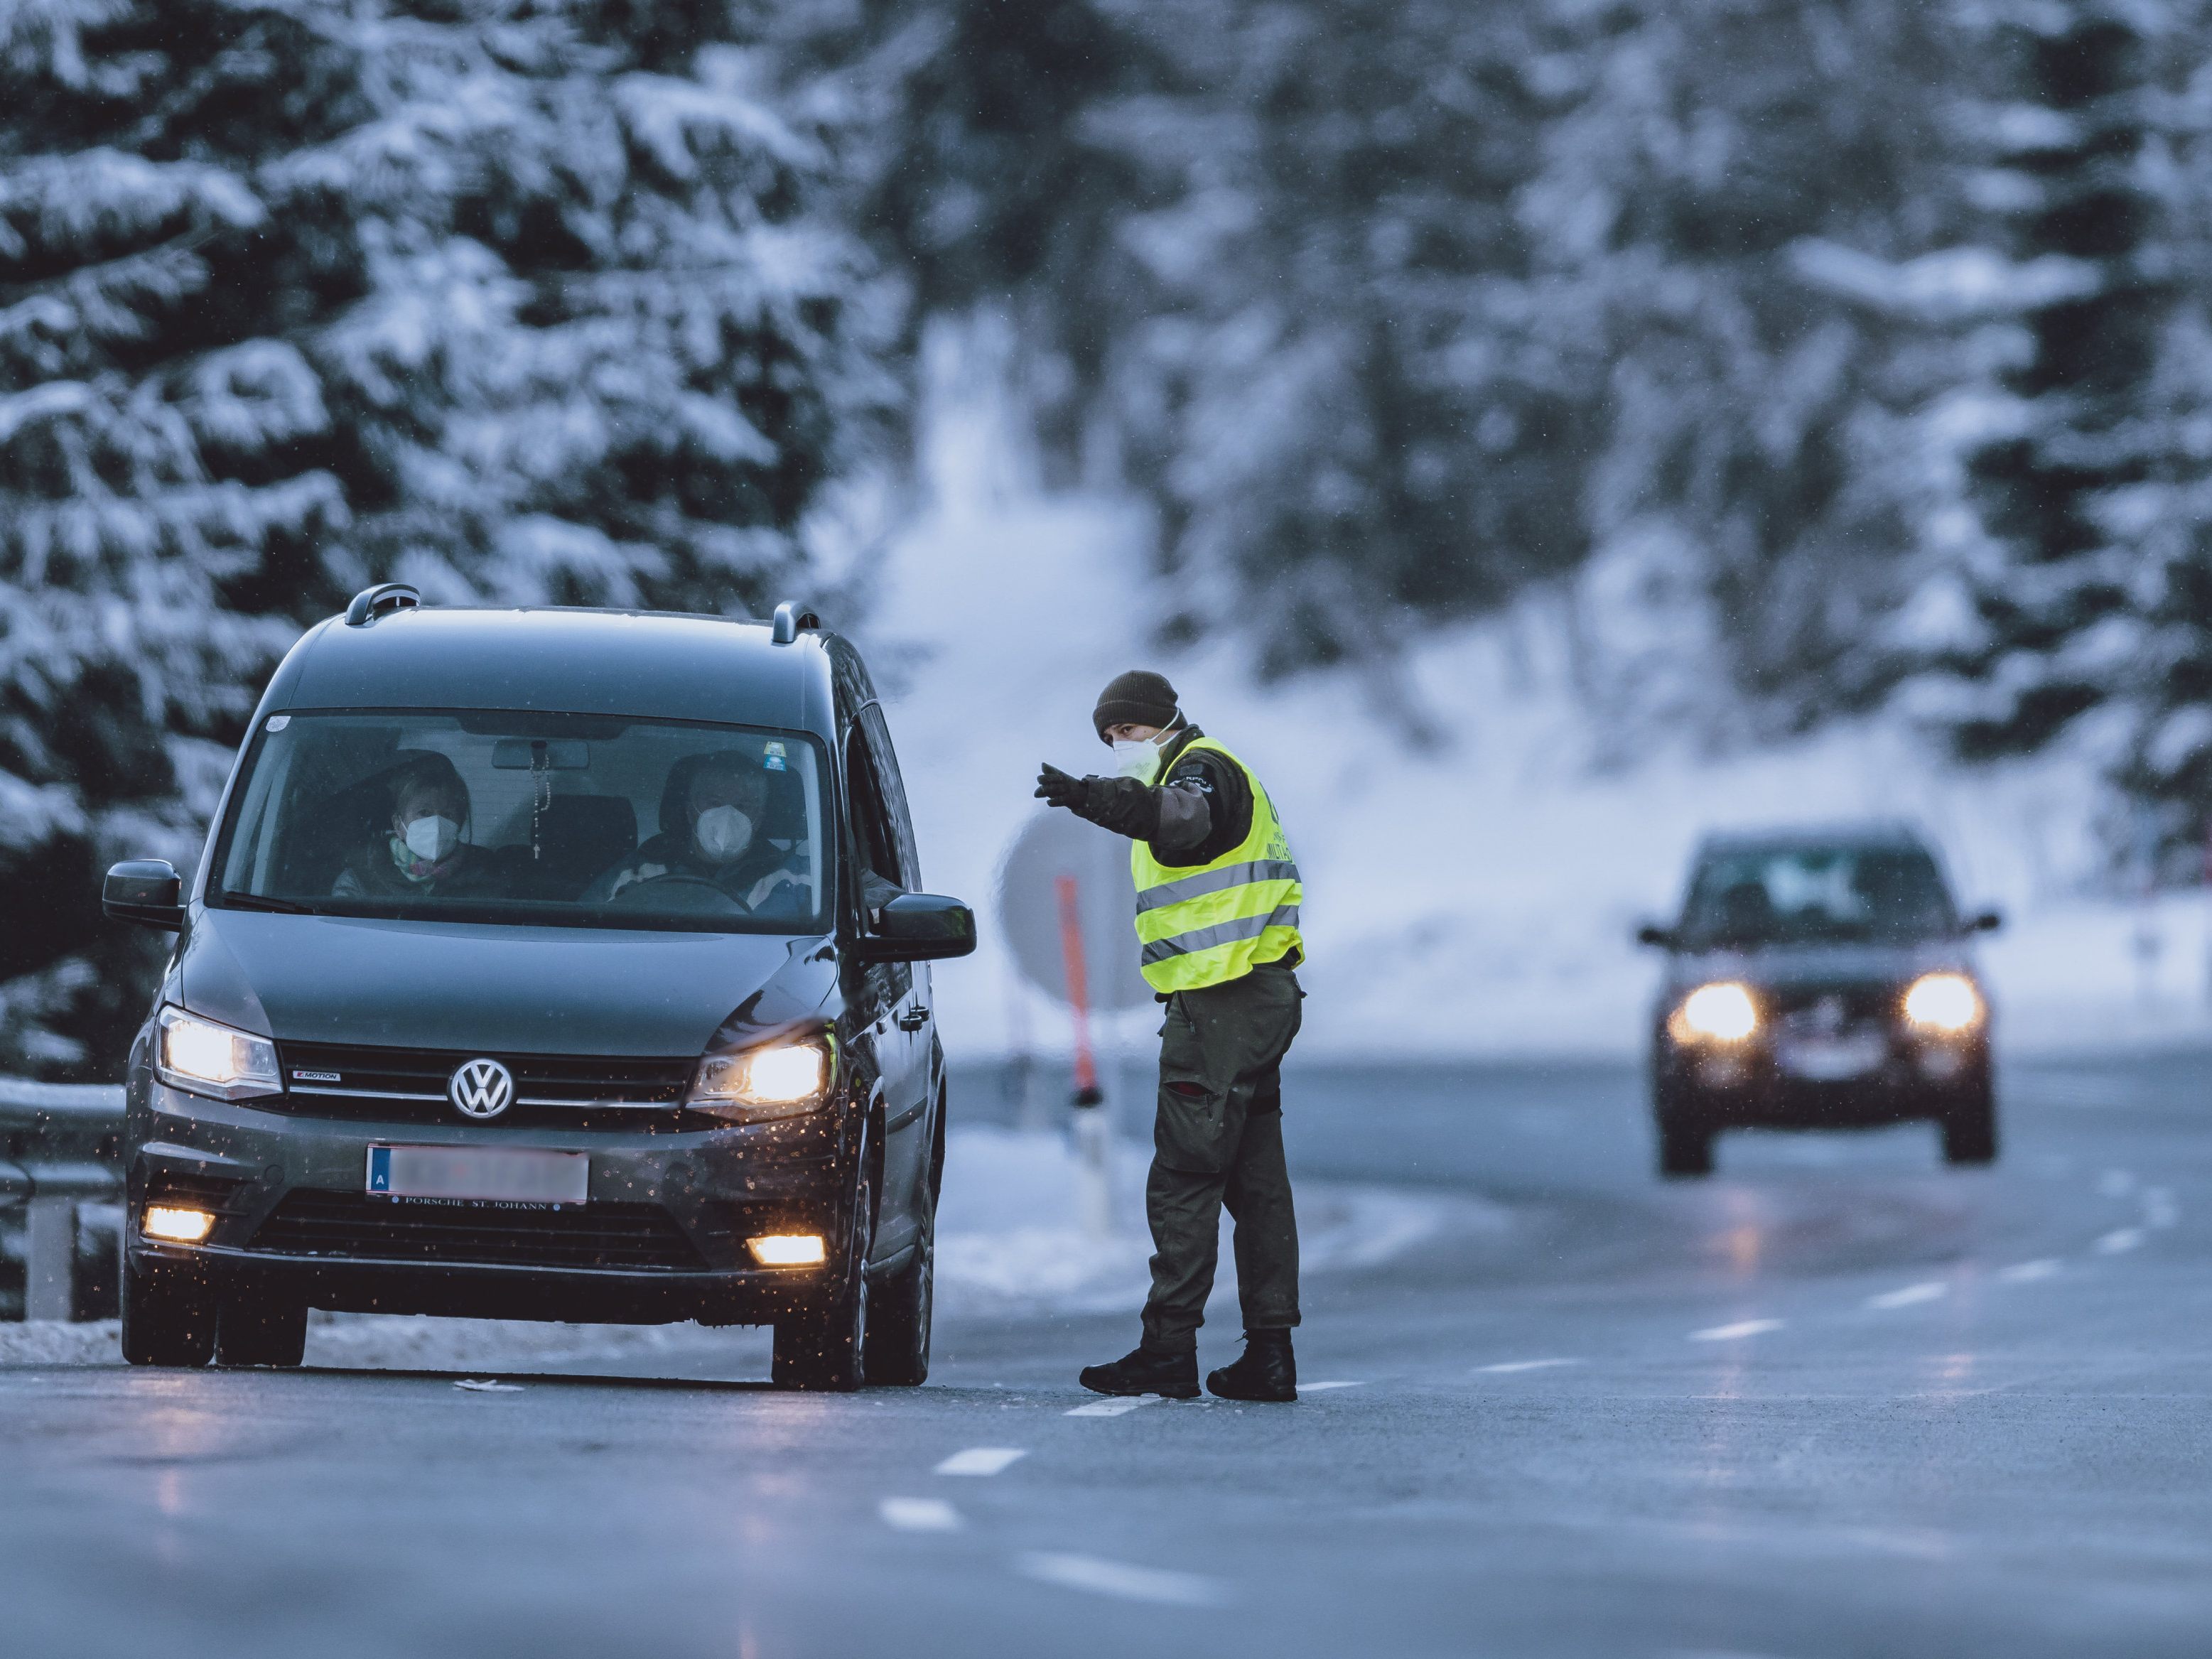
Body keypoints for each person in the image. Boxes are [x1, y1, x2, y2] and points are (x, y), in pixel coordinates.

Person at [1036, 669, 1306, 1403]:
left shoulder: (1200, 769)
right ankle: (1268, 1352)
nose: (1119, 745)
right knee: (1255, 1183)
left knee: (1185, 1176)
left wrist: (1096, 795)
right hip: (1253, 994)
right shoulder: (1206, 766)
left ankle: (1168, 1348)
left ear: (1157, 721)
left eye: (1124, 731)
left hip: (1222, 1003)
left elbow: (1180, 820)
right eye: (1107, 738)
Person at [586, 752, 807, 914]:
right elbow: (588, 932)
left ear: (759, 817)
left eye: (743, 806)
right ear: (691, 810)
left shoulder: (799, 880)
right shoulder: (636, 872)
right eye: (714, 802)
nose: (727, 814)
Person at [333, 753, 502, 899]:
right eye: (425, 812)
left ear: (459, 823)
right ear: (398, 824)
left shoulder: (484, 875)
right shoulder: (360, 880)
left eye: (448, 814)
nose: (436, 823)